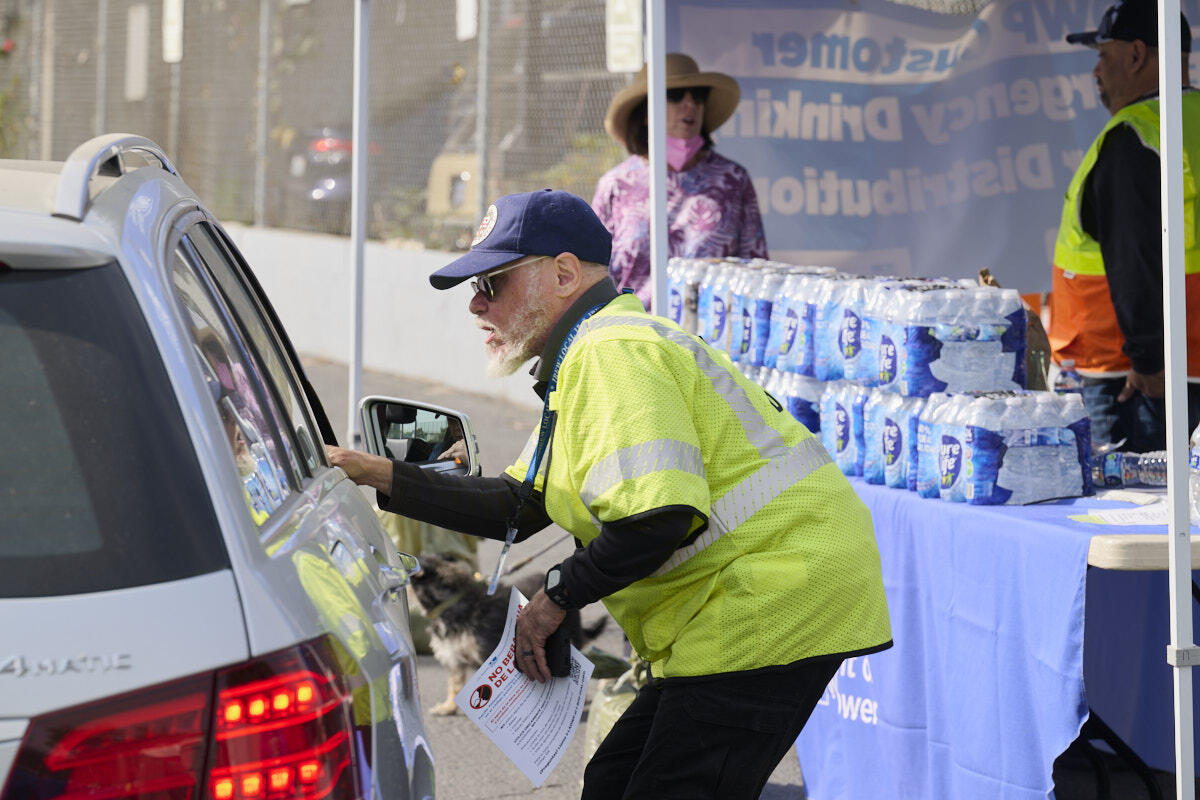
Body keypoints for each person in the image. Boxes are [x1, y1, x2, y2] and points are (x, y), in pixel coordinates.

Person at [327, 188, 891, 799]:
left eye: (493, 282)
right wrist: (372, 472)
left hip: (771, 601)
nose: (476, 303)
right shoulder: (584, 355)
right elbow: (517, 504)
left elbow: (659, 517)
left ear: (564, 274)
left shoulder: (610, 352)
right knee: (612, 782)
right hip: (745, 602)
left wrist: (554, 598)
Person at [1052, 0, 1200, 452]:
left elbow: (1134, 259)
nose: (1096, 71)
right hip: (1178, 366)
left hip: (1134, 378)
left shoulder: (1132, 137)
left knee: (1141, 495)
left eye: (1103, 55)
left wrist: (1149, 361)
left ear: (1137, 55)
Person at [592, 53, 767, 308]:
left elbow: (756, 272)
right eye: (675, 95)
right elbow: (593, 273)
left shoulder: (733, 181)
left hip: (709, 330)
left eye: (698, 96)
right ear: (646, 112)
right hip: (635, 328)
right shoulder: (616, 185)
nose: (690, 104)